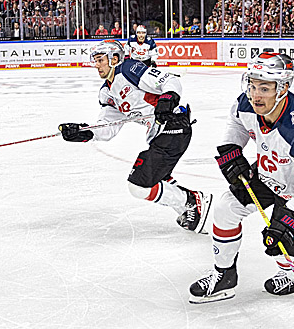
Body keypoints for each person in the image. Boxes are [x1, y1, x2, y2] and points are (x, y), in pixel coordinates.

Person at [191, 53, 294, 303]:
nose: (255, 95)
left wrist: (291, 217)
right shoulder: (247, 103)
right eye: (252, 85)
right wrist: (231, 148)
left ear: (284, 87)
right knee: (226, 207)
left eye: (264, 88)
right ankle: (224, 277)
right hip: (274, 165)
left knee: (283, 245)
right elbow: (236, 122)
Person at [58, 39, 212, 233]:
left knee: (138, 185)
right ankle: (189, 208)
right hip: (158, 134)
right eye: (94, 60)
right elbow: (107, 128)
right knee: (158, 178)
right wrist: (83, 132)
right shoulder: (107, 92)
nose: (96, 65)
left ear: (114, 58)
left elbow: (170, 81)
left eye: (100, 60)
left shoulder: (129, 69)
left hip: (174, 126)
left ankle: (191, 200)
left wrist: (167, 98)